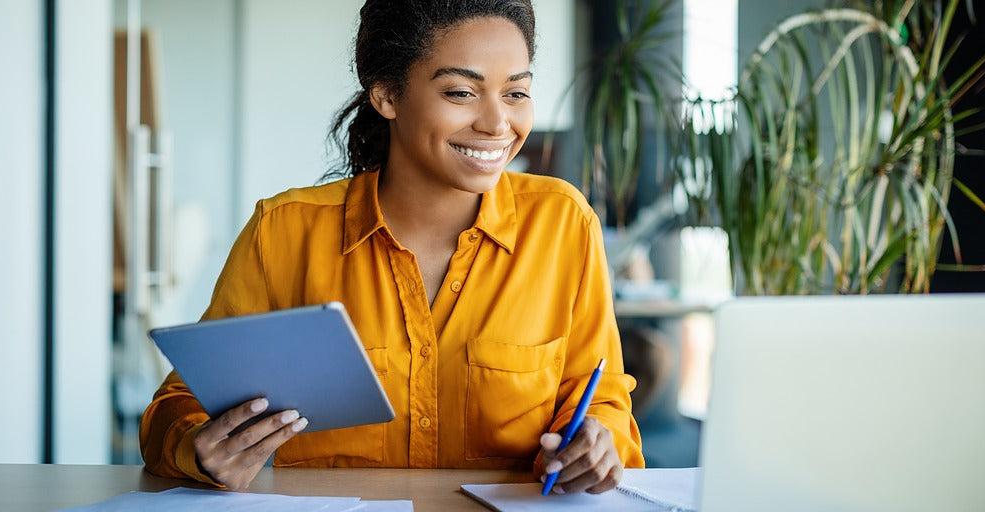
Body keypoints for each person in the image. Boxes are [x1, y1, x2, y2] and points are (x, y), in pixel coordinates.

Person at [140, 0, 645, 493]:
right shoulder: (283, 232)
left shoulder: (562, 224)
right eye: (461, 93)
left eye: (515, 94)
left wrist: (598, 442)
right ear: (386, 96)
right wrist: (197, 449)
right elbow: (179, 403)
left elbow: (601, 398)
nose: (497, 124)